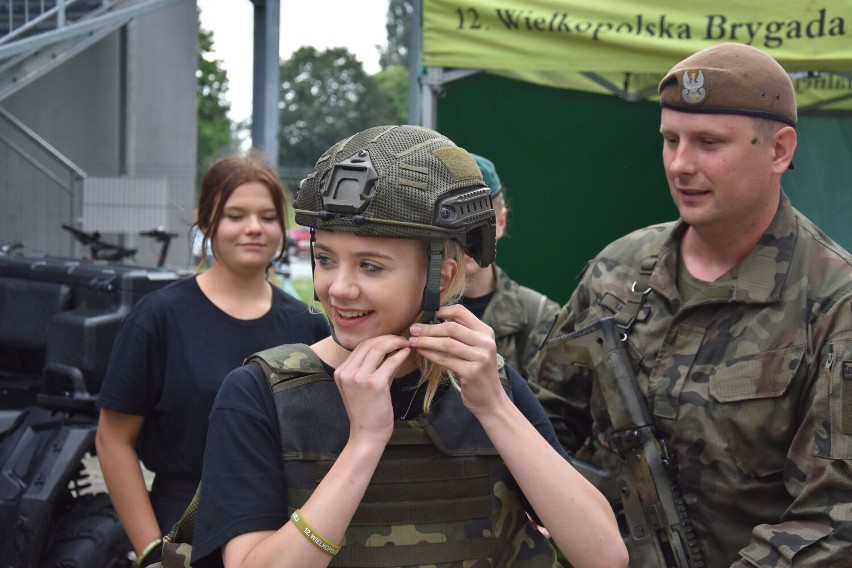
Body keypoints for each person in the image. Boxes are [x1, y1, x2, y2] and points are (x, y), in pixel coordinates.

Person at [191, 125, 627, 568]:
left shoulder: (488, 389)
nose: (339, 288)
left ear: (440, 275)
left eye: (370, 266)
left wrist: (495, 408)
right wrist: (364, 443)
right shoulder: (259, 395)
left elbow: (604, 555)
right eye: (325, 259)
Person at [529, 42, 852, 567]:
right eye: (671, 140)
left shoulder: (834, 302)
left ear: (779, 151)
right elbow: (543, 420)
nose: (681, 164)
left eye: (709, 143)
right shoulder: (618, 270)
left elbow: (836, 514)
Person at [95, 154, 330, 565]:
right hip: (183, 528)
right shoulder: (159, 317)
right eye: (235, 215)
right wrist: (151, 551)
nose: (254, 228)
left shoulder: (307, 324)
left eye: (268, 216)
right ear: (206, 222)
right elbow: (113, 440)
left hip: (285, 530)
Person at [462, 153, 560, 380]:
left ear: (501, 223)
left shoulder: (538, 317)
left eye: (480, 221)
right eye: (450, 219)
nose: (465, 235)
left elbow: (549, 414)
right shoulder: (411, 313)